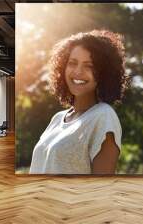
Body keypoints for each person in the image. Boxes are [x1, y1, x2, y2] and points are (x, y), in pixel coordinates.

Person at [29, 30, 129, 174]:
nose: (78, 71)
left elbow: (102, 188)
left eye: (89, 66)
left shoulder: (104, 117)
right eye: (72, 63)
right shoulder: (57, 119)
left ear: (104, 73)